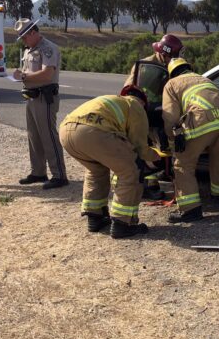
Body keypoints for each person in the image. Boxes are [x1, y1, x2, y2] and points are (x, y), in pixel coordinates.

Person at [59, 86, 159, 239]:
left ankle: (95, 217)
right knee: (130, 171)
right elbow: (140, 147)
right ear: (143, 103)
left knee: (96, 170)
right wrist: (159, 156)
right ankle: (122, 224)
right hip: (93, 132)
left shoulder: (111, 101)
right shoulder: (136, 106)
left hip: (66, 131)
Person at [162, 58, 219, 222]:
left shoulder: (172, 84)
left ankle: (190, 210)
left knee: (183, 164)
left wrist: (172, 141)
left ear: (171, 73)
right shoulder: (204, 78)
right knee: (218, 156)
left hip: (203, 120)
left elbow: (170, 116)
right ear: (188, 68)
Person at [13, 19, 68, 189]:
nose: (23, 41)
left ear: (33, 33)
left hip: (45, 97)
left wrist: (23, 77)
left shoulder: (47, 48)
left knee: (48, 136)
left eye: (24, 37)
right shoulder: (30, 49)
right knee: (34, 136)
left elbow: (46, 75)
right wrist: (24, 75)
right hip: (32, 97)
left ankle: (59, 175)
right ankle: (38, 171)